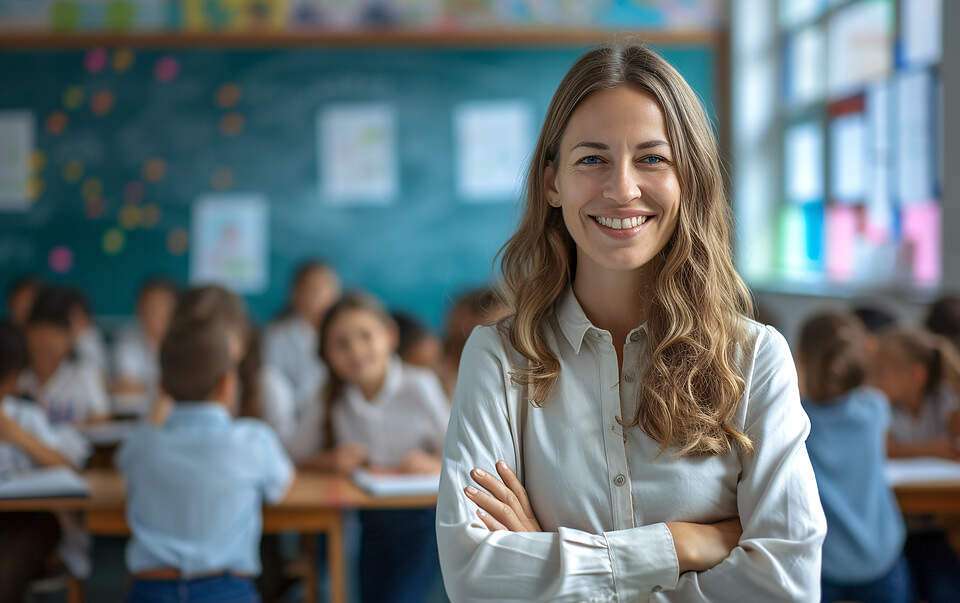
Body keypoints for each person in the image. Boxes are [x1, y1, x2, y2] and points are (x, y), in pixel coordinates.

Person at [436, 42, 826, 601]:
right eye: (592, 159)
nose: (622, 188)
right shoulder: (498, 358)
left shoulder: (754, 358)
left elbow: (786, 585)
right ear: (552, 182)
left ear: (687, 177)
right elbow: (474, 579)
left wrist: (552, 563)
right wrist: (680, 544)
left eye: (652, 158)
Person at [117, 315, 293, 602]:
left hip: (151, 590)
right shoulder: (254, 440)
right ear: (227, 384)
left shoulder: (140, 444)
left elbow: (125, 465)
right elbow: (280, 487)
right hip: (227, 590)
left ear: (162, 386)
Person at [297, 292, 449, 603]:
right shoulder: (330, 397)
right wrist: (330, 460)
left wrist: (434, 464)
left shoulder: (420, 386)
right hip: (370, 523)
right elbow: (295, 453)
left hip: (422, 522)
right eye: (341, 344)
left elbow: (462, 452)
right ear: (326, 355)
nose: (355, 351)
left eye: (366, 336)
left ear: (389, 336)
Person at [797, 311, 910, 603]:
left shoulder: (795, 420)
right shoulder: (875, 408)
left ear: (802, 361)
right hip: (880, 555)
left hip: (825, 562)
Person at [0, 320, 89, 602]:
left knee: (31, 533)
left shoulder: (24, 416)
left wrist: (18, 436)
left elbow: (71, 470)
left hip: (24, 522)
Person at [19, 286, 109, 425]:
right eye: (40, 334)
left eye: (55, 335)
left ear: (70, 339)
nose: (45, 344)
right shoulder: (17, 376)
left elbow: (101, 417)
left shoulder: (84, 373)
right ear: (27, 333)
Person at [264, 261, 340, 404]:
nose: (321, 296)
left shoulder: (342, 332)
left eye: (327, 288)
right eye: (313, 289)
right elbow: (273, 388)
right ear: (295, 293)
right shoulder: (277, 334)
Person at [112, 277, 179, 403]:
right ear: (139, 308)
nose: (154, 312)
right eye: (149, 305)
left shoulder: (187, 342)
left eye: (162, 306)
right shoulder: (127, 338)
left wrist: (145, 387)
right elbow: (124, 386)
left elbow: (188, 389)